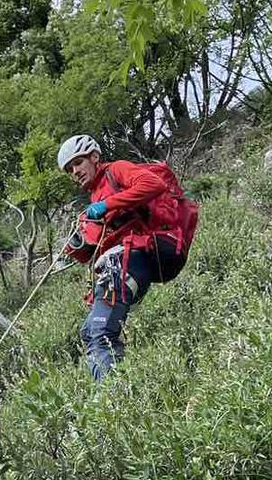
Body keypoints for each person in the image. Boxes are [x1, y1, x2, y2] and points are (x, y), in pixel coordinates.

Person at [57, 134, 196, 381]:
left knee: (100, 333)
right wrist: (76, 244)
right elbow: (92, 248)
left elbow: (153, 185)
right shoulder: (94, 198)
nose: (75, 171)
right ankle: (122, 386)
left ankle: (115, 399)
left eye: (78, 163)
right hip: (120, 262)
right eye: (69, 169)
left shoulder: (116, 171)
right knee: (89, 331)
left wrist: (107, 205)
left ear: (94, 157)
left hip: (133, 256)